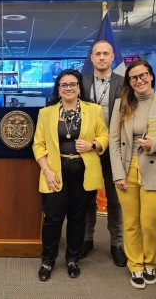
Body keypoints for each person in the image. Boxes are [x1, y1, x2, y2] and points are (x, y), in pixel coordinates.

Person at [109, 60, 156, 289]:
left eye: (143, 75)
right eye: (133, 78)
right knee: (131, 223)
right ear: (129, 82)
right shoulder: (121, 105)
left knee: (150, 223)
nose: (139, 80)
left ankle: (150, 261)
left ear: (151, 76)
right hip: (127, 169)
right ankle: (136, 265)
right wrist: (117, 174)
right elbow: (113, 141)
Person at [32, 69, 109, 281]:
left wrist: (93, 144)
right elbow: (38, 144)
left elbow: (104, 135)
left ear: (78, 87)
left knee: (77, 219)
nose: (68, 88)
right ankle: (47, 261)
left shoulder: (93, 110)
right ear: (58, 89)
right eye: (64, 85)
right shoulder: (46, 113)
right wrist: (46, 170)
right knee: (52, 219)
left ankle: (73, 259)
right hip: (55, 172)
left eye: (72, 84)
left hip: (83, 171)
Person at [80, 40, 127, 267]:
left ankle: (117, 244)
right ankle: (87, 239)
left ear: (112, 57)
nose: (101, 57)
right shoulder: (82, 82)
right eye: (97, 54)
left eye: (105, 54)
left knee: (115, 199)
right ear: (91, 58)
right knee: (87, 197)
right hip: (88, 149)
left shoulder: (124, 83)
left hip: (114, 149)